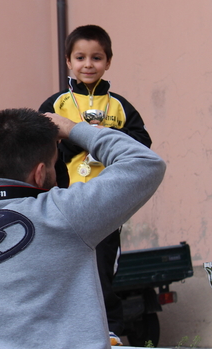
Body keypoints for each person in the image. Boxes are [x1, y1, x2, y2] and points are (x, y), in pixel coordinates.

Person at [0, 109, 165, 349]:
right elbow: (144, 163)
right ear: (40, 174)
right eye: (53, 165)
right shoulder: (61, 214)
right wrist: (73, 129)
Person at [39, 24, 151, 342]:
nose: (88, 64)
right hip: (64, 199)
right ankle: (63, 328)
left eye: (96, 58)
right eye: (80, 57)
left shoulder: (119, 106)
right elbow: (40, 142)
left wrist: (105, 136)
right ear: (68, 62)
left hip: (106, 200)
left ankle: (109, 328)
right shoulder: (57, 103)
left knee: (102, 265)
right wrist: (78, 137)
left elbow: (142, 142)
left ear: (108, 61)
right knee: (63, 265)